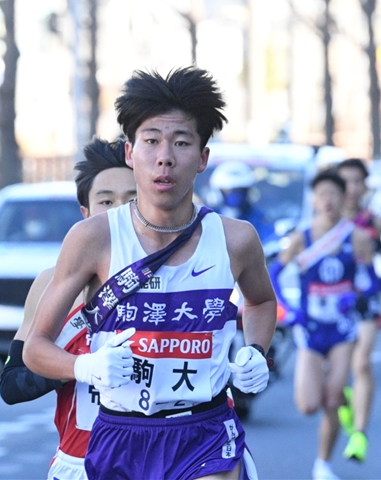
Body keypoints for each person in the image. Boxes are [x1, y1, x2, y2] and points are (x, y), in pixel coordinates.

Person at [23, 67, 277, 480]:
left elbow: (262, 300)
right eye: (152, 141)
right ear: (130, 153)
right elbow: (35, 348)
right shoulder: (94, 238)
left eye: (181, 142)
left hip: (205, 431)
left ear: (202, 158)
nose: (165, 157)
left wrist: (256, 351)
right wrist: (85, 368)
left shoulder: (236, 239)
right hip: (121, 433)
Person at [0, 136, 137, 480]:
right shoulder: (51, 284)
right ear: (86, 212)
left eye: (133, 200)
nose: (119, 212)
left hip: (164, 462)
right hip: (80, 465)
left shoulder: (181, 278)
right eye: (106, 201)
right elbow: (11, 385)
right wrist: (79, 367)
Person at [268, 170, 377, 480]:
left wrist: (354, 298)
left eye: (334, 195)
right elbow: (274, 275)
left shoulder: (357, 237)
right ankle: (344, 401)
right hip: (310, 330)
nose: (328, 201)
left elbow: (371, 283)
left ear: (344, 199)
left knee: (330, 397)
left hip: (342, 330)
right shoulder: (302, 237)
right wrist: (288, 310)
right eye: (322, 195)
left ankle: (322, 465)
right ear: (314, 200)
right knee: (307, 405)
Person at [334, 158, 381, 463]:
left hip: (365, 298)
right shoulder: (324, 220)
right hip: (330, 304)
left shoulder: (374, 223)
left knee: (362, 363)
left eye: (357, 181)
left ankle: (359, 435)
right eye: (345, 182)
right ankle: (345, 405)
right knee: (335, 376)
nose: (351, 189)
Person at [208, 161, 274, 242]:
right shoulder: (208, 217)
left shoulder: (258, 217)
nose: (235, 195)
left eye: (240, 190)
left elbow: (269, 240)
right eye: (228, 190)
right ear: (218, 192)